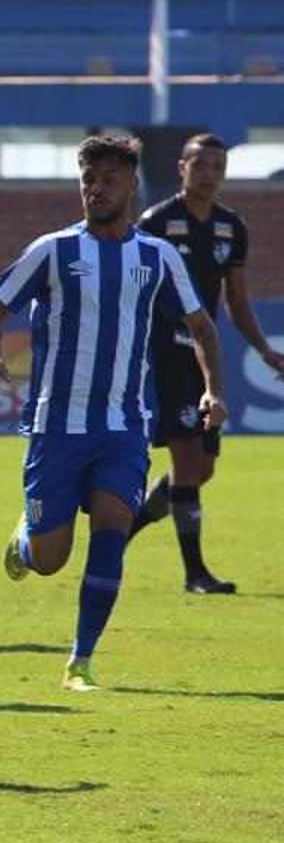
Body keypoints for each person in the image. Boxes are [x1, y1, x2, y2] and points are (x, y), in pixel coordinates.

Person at [0, 135, 225, 691]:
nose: (95, 188)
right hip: (56, 426)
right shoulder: (53, 250)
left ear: (131, 186)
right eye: (87, 179)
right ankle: (25, 541)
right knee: (49, 560)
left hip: (124, 424)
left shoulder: (157, 257)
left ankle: (80, 661)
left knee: (112, 529)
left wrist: (213, 390)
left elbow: (203, 326)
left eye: (107, 179)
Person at [129, 133, 284, 593]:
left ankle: (127, 526)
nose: (209, 174)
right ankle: (195, 573)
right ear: (182, 168)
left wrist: (262, 347)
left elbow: (236, 298)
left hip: (204, 354)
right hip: (165, 354)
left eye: (218, 167)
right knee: (187, 457)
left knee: (201, 469)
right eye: (201, 166)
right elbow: (134, 287)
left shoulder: (230, 228)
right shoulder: (157, 222)